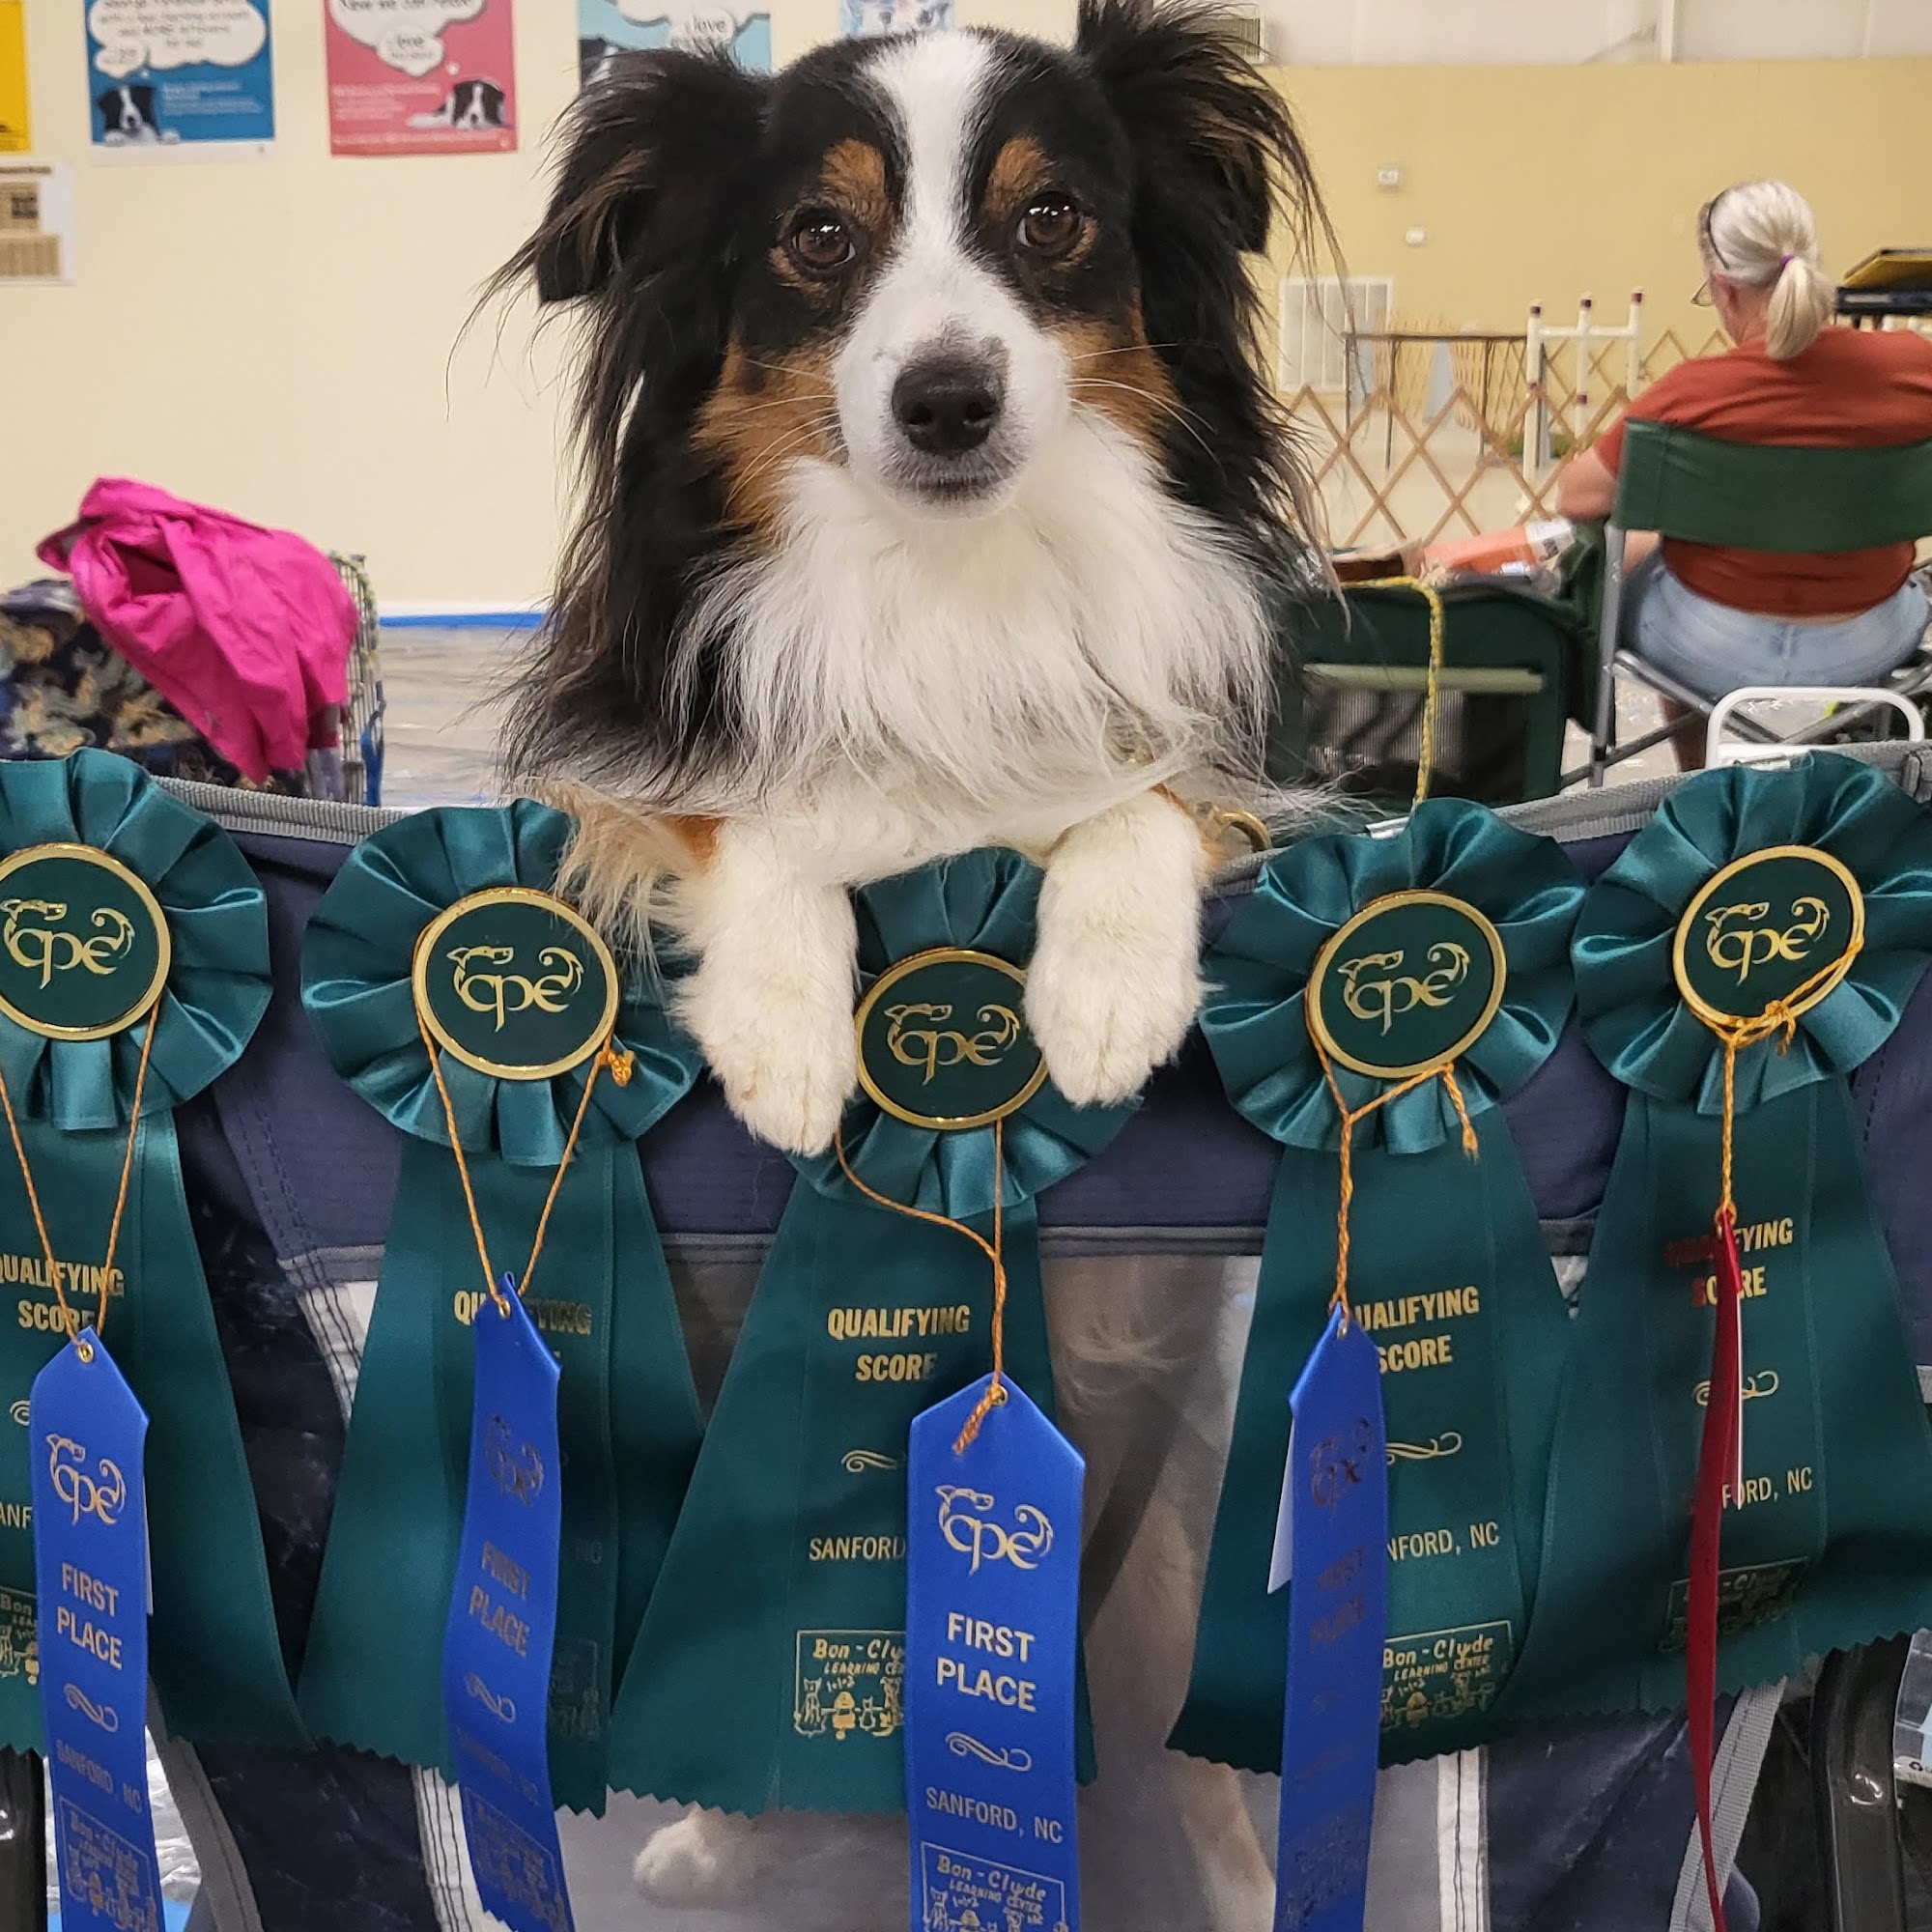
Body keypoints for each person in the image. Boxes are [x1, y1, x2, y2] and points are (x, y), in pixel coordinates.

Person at [1558, 179, 1932, 766]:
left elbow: (1576, 497)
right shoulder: (1917, 367)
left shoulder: (1688, 395)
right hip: (1870, 640)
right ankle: (1874, 778)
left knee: (1643, 561)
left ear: (1723, 288)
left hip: (1706, 648)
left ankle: (1693, 786)